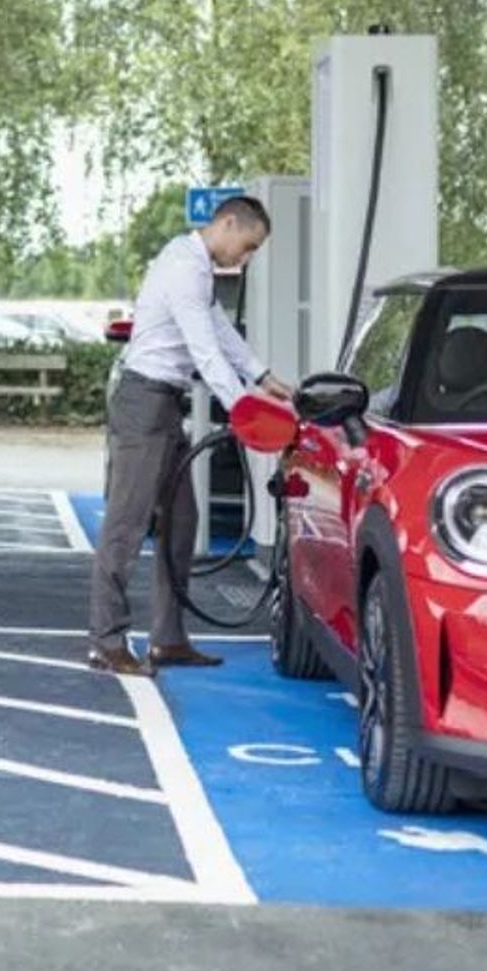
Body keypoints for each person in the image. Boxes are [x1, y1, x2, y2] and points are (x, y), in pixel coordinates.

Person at [90, 196, 294, 677]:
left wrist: (262, 377)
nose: (245, 259)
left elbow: (220, 330)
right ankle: (107, 642)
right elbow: (204, 349)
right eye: (247, 247)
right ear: (228, 223)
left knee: (182, 521)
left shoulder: (199, 272)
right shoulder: (184, 267)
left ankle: (168, 638)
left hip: (164, 403)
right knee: (126, 524)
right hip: (144, 402)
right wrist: (242, 406)